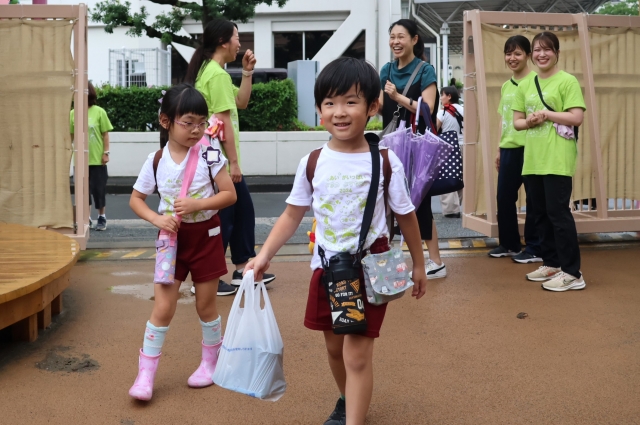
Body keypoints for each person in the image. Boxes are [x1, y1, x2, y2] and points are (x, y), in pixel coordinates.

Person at [246, 57, 428, 425]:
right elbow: (292, 215)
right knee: (333, 347)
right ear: (318, 109)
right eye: (330, 103)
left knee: (357, 356)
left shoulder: (385, 161)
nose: (339, 112)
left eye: (350, 101)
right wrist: (263, 255)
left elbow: (407, 215)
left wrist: (420, 263)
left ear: (373, 107)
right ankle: (348, 400)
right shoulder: (313, 161)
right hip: (327, 269)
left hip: (369, 269)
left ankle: (353, 419)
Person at [127, 84, 237, 400]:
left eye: (201, 122)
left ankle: (210, 364)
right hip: (170, 241)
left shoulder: (210, 153)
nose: (196, 129)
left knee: (206, 305)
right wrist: (158, 219)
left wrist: (196, 205)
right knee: (163, 307)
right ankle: (145, 377)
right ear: (166, 121)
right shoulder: (156, 159)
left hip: (207, 238)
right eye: (187, 122)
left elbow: (229, 195)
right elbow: (136, 199)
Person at [185, 18, 275, 296]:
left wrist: (247, 73)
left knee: (240, 213)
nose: (240, 43)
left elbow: (241, 103)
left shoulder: (210, 72)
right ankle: (207, 276)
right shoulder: (218, 75)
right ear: (224, 42)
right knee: (226, 218)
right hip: (220, 162)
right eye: (237, 37)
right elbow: (223, 120)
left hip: (213, 159)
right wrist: (233, 163)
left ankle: (241, 269)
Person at [513, 31, 586, 291]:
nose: (542, 54)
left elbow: (576, 117)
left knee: (558, 214)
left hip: (557, 157)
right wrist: (530, 121)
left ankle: (573, 273)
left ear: (557, 53)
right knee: (540, 214)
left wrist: (547, 114)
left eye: (548, 49)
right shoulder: (525, 84)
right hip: (533, 158)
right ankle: (552, 263)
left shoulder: (567, 81)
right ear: (532, 55)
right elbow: (517, 123)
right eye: (538, 50)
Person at [379, 18, 446, 279]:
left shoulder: (424, 70)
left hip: (417, 146)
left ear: (414, 40)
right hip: (391, 143)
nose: (395, 42)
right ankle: (388, 256)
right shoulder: (386, 69)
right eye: (392, 36)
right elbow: (377, 104)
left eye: (401, 36)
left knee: (420, 203)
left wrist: (398, 98)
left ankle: (436, 261)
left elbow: (428, 109)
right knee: (388, 201)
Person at [488, 35, 542, 264]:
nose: (512, 58)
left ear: (528, 55)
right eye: (508, 53)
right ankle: (509, 244)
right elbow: (503, 120)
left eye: (518, 53)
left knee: (534, 200)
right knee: (504, 197)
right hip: (509, 147)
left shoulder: (537, 81)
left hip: (531, 147)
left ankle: (535, 248)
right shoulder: (505, 85)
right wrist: (500, 148)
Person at [70, 82, 113, 231]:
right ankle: (85, 218)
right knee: (82, 190)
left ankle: (101, 217)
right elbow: (70, 136)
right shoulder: (73, 113)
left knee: (98, 189)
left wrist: (106, 153)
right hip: (80, 160)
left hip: (97, 159)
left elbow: (105, 134)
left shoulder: (99, 112)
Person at [436, 86, 464, 218]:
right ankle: (460, 204)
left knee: (448, 175)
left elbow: (435, 129)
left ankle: (451, 210)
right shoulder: (463, 110)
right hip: (463, 145)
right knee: (461, 176)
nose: (441, 98)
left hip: (448, 147)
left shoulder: (442, 112)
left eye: (442, 95)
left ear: (449, 96)